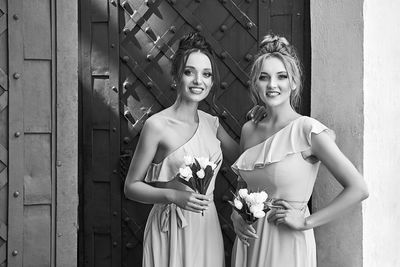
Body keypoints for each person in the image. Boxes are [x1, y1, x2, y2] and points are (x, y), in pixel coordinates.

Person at [124, 32, 265, 267]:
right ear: (177, 76)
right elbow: (131, 187)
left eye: (206, 74)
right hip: (170, 229)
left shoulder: (212, 124)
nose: (198, 80)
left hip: (206, 226)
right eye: (190, 72)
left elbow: (247, 163)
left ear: (211, 82)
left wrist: (262, 121)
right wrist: (172, 195)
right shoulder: (157, 126)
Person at [230, 34, 369, 267]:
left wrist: (306, 222)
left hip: (288, 242)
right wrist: (236, 214)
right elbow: (242, 187)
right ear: (255, 83)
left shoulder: (307, 130)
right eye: (264, 77)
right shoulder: (249, 130)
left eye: (281, 77)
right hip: (249, 242)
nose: (272, 85)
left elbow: (359, 189)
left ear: (293, 82)